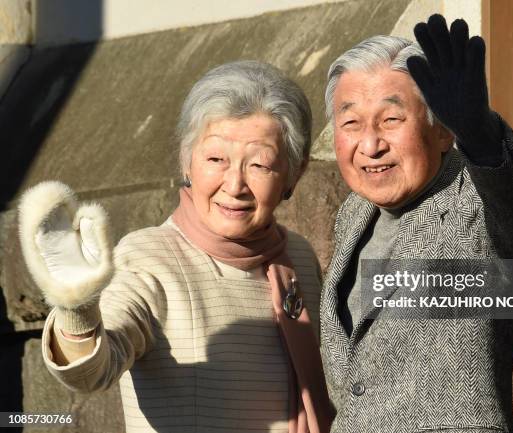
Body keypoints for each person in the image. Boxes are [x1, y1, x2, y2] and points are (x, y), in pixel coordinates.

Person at [19, 60, 333, 433]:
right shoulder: (149, 259)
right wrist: (77, 308)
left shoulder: (298, 256)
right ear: (187, 160)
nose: (234, 185)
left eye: (260, 165)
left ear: (294, 173)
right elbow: (94, 371)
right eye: (215, 159)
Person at [319, 15, 513, 433]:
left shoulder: (474, 202)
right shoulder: (354, 215)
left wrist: (480, 134)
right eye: (351, 123)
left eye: (391, 120)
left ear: (443, 132)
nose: (371, 144)